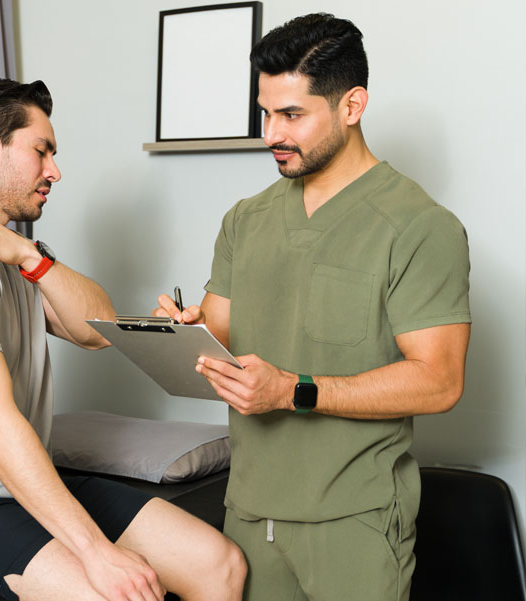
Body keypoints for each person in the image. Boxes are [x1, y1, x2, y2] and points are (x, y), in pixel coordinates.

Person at [0, 77, 246, 601]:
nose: (54, 170)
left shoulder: (15, 255)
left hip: (22, 487)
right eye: (41, 151)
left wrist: (31, 257)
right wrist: (98, 554)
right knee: (113, 593)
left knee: (220, 563)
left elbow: (96, 331)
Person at [154, 13, 470, 601]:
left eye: (292, 115)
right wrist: (181, 335)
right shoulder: (245, 220)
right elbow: (218, 333)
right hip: (247, 513)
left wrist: (294, 391)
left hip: (355, 521)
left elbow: (440, 381)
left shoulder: (420, 226)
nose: (272, 132)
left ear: (352, 106)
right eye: (265, 112)